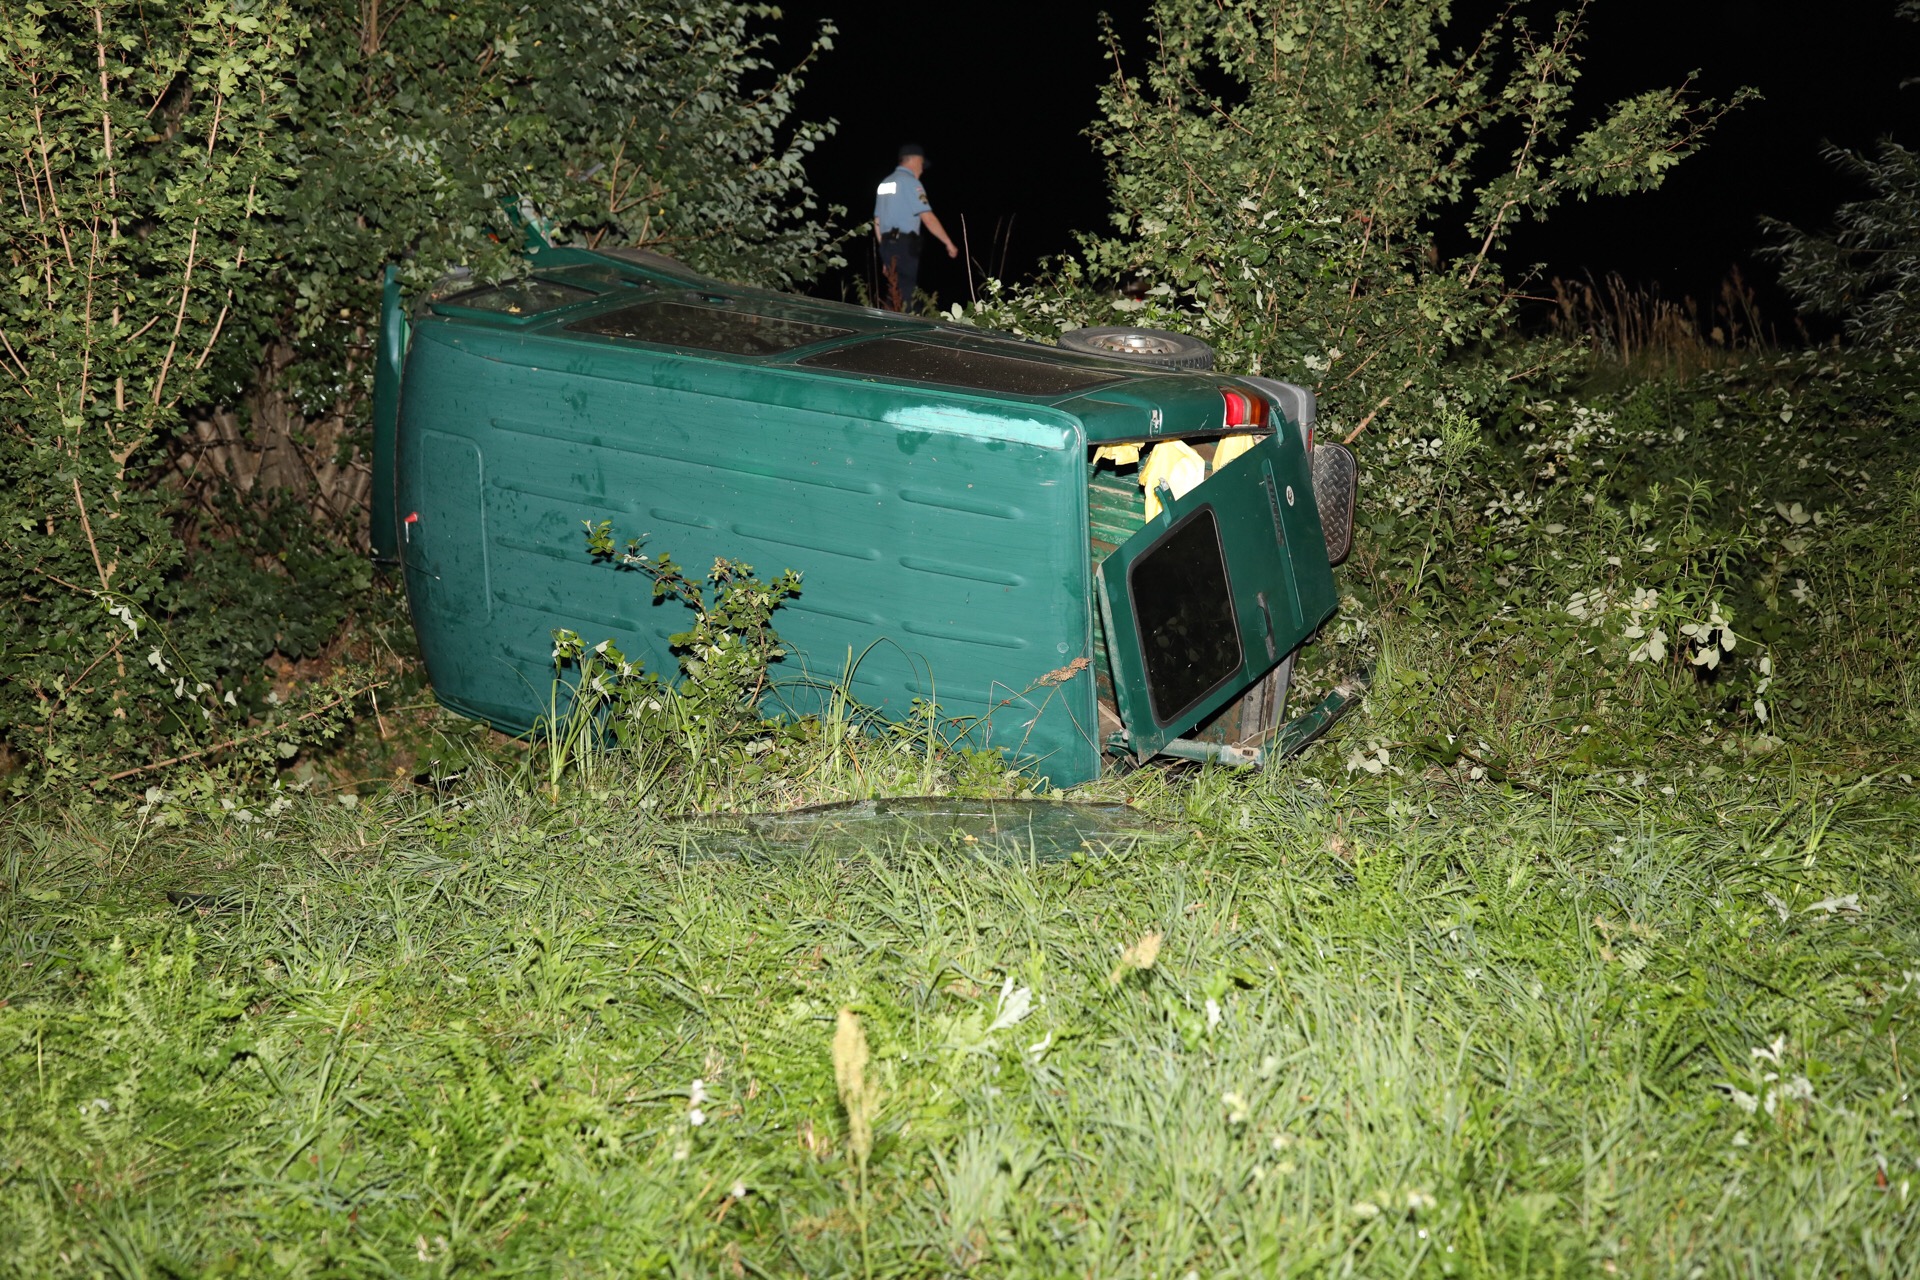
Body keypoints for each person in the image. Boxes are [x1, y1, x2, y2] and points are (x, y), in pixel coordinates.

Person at [872, 143, 957, 311]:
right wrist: (948, 243)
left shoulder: (885, 183)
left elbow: (877, 220)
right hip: (904, 245)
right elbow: (927, 217)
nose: (922, 170)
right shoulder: (911, 183)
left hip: (888, 244)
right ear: (915, 161)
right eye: (921, 165)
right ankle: (910, 332)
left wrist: (885, 252)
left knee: (894, 291)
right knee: (907, 294)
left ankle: (887, 328)